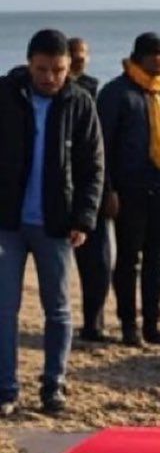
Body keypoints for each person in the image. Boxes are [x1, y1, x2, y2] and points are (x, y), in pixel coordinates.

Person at [0, 29, 104, 415]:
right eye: (42, 69)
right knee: (4, 308)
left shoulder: (80, 102)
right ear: (29, 64)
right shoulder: (5, 95)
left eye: (58, 70)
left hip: (57, 224)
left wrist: (84, 217)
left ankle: (53, 385)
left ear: (69, 67)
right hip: (7, 222)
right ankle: (6, 388)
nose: (50, 77)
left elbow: (93, 165)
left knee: (58, 309)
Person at [97, 31, 160, 347]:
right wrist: (107, 190)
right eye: (155, 55)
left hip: (159, 186)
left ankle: (152, 324)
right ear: (139, 57)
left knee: (155, 258)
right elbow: (102, 147)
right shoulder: (116, 93)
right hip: (127, 189)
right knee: (128, 259)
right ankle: (128, 325)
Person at [67, 37, 114, 343]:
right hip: (61, 190)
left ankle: (93, 324)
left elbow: (101, 149)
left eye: (83, 55)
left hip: (91, 189)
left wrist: (108, 190)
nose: (79, 60)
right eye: (74, 55)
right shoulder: (52, 94)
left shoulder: (94, 93)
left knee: (99, 262)